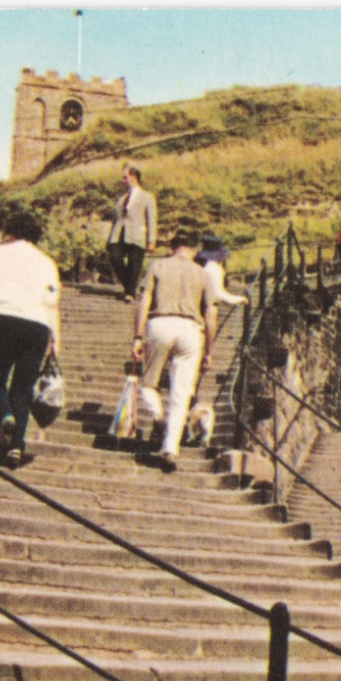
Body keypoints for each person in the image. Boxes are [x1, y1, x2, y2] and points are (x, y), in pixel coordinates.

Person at [133, 231, 216, 473]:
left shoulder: (157, 265)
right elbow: (211, 314)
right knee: (181, 393)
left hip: (160, 324)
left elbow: (144, 300)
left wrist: (137, 336)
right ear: (194, 251)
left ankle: (158, 417)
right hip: (191, 330)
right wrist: (209, 350)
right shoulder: (203, 274)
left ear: (172, 249)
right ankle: (170, 449)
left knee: (148, 384)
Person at [0, 210, 61, 470]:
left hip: (6, 319)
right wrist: (55, 343)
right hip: (39, 326)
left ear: (12, 231)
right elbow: (53, 306)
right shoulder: (47, 262)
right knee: (23, 388)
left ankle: (5, 415)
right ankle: (17, 446)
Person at [107, 166, 157, 301]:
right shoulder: (121, 198)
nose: (122, 180)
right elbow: (115, 219)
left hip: (138, 234)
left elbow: (151, 219)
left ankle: (130, 292)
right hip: (119, 233)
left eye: (125, 177)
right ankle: (130, 286)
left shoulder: (147, 197)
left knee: (135, 264)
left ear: (133, 177)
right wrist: (110, 238)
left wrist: (151, 240)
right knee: (115, 257)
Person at [196, 235, 246, 307]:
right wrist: (238, 299)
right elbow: (217, 293)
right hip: (205, 306)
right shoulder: (213, 268)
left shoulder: (197, 265)